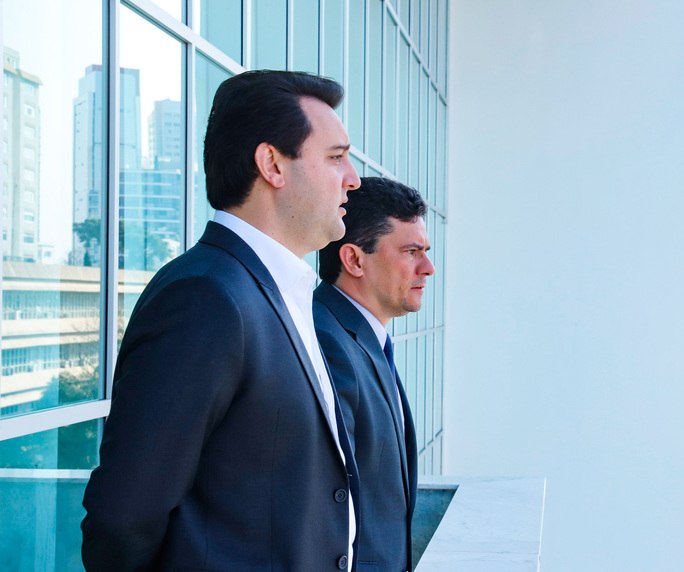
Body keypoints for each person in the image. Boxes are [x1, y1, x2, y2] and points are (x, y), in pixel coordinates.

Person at [81, 70, 362, 571]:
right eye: (336, 157)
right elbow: (124, 517)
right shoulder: (206, 297)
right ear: (272, 164)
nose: (353, 178)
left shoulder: (279, 293)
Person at [314, 177, 434, 571]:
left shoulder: (364, 339)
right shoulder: (325, 341)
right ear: (354, 260)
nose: (428, 268)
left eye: (425, 252)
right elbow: (324, 505)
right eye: (411, 252)